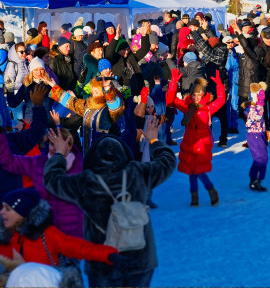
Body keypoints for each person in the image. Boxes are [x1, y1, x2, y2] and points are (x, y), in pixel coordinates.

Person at [43, 120, 175, 288]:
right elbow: (168, 162)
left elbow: (52, 180)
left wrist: (60, 154)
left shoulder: (86, 181)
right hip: (141, 260)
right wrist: (154, 141)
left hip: (102, 263)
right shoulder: (138, 172)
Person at [0, 188, 125, 277]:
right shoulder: (5, 236)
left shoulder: (47, 235)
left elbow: (78, 247)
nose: (2, 212)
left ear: (23, 214)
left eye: (8, 209)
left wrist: (108, 254)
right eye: (2, 208)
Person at [166, 68, 224, 207]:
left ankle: (211, 191)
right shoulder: (187, 107)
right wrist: (173, 83)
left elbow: (221, 100)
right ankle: (194, 197)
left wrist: (220, 85)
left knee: (199, 170)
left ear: (203, 94)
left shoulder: (208, 108)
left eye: (199, 94)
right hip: (190, 140)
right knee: (191, 171)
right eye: (193, 94)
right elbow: (171, 100)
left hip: (202, 141)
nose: (196, 97)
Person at [243, 82, 268, 191]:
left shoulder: (254, 107)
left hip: (259, 134)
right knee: (261, 158)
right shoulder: (254, 108)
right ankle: (255, 180)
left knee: (261, 158)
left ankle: (255, 178)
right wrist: (259, 98)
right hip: (255, 135)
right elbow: (257, 114)